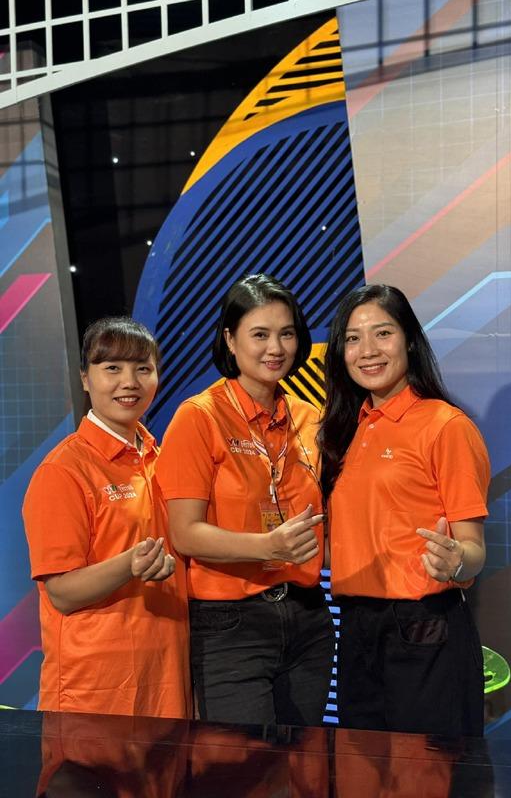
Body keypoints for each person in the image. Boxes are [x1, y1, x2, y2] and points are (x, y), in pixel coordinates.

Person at [156, 273, 335, 726]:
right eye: (260, 334)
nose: (275, 348)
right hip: (230, 624)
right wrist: (267, 546)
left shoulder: (310, 419)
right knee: (246, 763)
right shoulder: (199, 417)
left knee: (306, 760)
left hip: (308, 616)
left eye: (286, 334)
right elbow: (185, 533)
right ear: (230, 340)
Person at [319, 284, 490, 736]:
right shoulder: (345, 431)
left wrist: (456, 560)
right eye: (353, 338)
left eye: (383, 333)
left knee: (430, 770)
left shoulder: (446, 426)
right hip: (355, 627)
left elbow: (473, 549)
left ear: (409, 340)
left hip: (424, 629)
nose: (367, 351)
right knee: (360, 767)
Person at [22, 317, 192, 719]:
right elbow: (61, 592)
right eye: (112, 368)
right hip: (95, 689)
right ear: (85, 378)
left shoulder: (162, 458)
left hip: (168, 682)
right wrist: (129, 564)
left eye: (142, 368)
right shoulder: (64, 471)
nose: (129, 382)